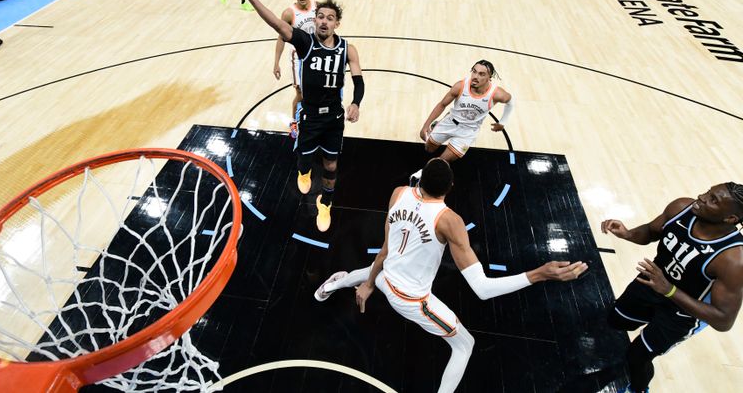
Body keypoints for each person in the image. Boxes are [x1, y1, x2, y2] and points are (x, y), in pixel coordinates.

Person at [315, 158, 588, 393]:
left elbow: (384, 251)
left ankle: (333, 284)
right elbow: (482, 289)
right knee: (465, 345)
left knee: (369, 273)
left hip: (385, 273)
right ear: (450, 188)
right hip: (412, 301)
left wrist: (368, 283)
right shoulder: (449, 221)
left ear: (420, 180)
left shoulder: (399, 193)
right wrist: (539, 274)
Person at [601, 183, 743, 393]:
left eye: (713, 200)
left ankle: (638, 390)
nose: (701, 197)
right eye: (708, 191)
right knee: (616, 319)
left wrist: (669, 290)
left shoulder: (733, 260)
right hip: (653, 283)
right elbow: (651, 231)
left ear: (731, 219)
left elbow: (723, 320)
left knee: (637, 356)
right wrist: (628, 234)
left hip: (683, 312)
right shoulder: (681, 208)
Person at [243, 0, 363, 232]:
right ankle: (304, 172)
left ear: (337, 23)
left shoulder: (347, 49)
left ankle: (326, 202)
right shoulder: (305, 42)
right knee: (304, 159)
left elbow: (359, 81)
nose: (324, 21)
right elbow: (277, 24)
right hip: (309, 115)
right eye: (320, 16)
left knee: (331, 165)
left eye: (330, 18)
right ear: (315, 19)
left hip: (333, 118)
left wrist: (356, 103)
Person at [410, 59, 514, 184]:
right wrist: (425, 126)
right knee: (429, 149)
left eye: (481, 74)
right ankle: (436, 125)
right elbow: (442, 104)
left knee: (442, 161)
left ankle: (421, 176)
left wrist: (503, 122)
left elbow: (510, 102)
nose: (475, 76)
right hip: (450, 122)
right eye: (474, 72)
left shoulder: (497, 94)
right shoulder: (460, 86)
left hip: (468, 132)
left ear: (489, 77)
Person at [274, 0, 315, 139]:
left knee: (314, 89)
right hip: (298, 57)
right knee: (300, 92)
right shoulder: (289, 13)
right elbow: (280, 38)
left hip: (314, 55)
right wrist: (276, 62)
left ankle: (310, 117)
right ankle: (294, 122)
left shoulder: (317, 7)